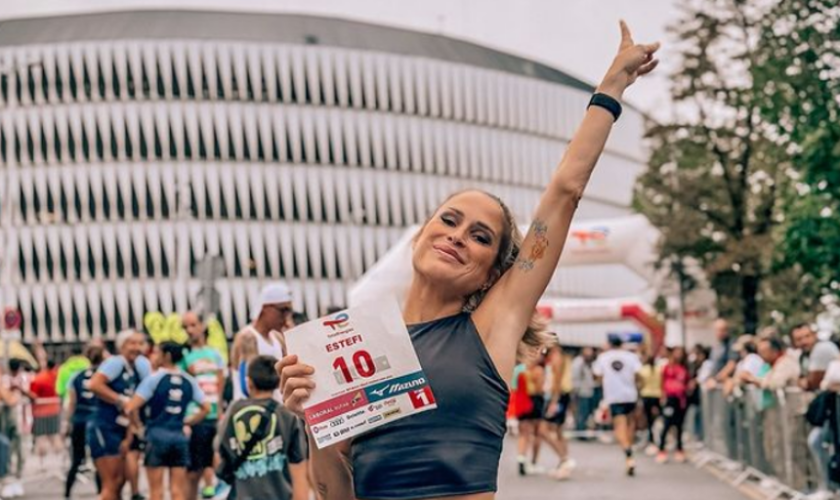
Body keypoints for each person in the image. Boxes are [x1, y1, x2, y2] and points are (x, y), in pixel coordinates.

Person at [278, 20, 660, 499]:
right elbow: (335, 494)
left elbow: (565, 193)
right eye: (450, 221)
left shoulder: (491, 328)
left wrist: (610, 88)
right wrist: (314, 421)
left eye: (480, 236)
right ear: (421, 234)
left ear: (493, 272)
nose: (457, 237)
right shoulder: (366, 349)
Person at [125, 342, 209, 500]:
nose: (152, 357)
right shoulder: (189, 380)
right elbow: (206, 408)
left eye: (156, 353)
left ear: (167, 356)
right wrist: (186, 422)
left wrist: (137, 427)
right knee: (178, 492)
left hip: (156, 434)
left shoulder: (155, 379)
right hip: (179, 437)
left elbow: (130, 407)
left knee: (156, 492)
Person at [218, 355, 308, 500]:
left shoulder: (234, 410)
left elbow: (220, 451)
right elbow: (298, 467)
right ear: (278, 383)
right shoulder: (287, 415)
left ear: (249, 383)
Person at [87, 329, 152, 500]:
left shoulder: (137, 367)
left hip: (121, 429)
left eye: (140, 343)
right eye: (132, 343)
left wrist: (134, 430)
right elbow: (94, 385)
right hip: (104, 426)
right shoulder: (116, 363)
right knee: (111, 484)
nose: (137, 348)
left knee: (121, 481)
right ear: (122, 345)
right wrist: (120, 399)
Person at [181, 311, 227, 500]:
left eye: (192, 325)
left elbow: (220, 383)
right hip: (196, 417)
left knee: (214, 463)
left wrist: (221, 412)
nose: (189, 330)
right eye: (185, 327)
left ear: (202, 326)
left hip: (214, 416)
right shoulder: (184, 354)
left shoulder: (215, 354)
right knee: (193, 470)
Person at [792, 324, 839, 499]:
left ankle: (827, 486)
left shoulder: (822, 349)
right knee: (817, 441)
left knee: (816, 441)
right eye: (798, 339)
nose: (803, 341)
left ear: (814, 335)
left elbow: (812, 382)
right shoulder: (804, 354)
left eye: (806, 336)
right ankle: (826, 486)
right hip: (828, 410)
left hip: (832, 409)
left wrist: (806, 382)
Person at [231, 282, 294, 401]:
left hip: (274, 409)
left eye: (289, 311)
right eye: (283, 310)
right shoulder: (248, 337)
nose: (286, 317)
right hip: (254, 410)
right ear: (266, 308)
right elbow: (251, 385)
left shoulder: (277, 337)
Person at [593, 336, 643, 476]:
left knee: (619, 427)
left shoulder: (603, 357)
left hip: (614, 396)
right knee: (630, 424)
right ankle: (630, 451)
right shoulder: (631, 356)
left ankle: (628, 453)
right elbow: (639, 374)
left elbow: (597, 375)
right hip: (630, 395)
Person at [65, 345, 106, 500]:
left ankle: (67, 493)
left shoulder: (76, 376)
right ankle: (101, 492)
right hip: (97, 419)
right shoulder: (103, 376)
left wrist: (67, 423)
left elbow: (71, 402)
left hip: (79, 419)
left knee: (76, 459)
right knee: (98, 459)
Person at [541, 345, 574, 479]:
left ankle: (564, 458)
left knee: (544, 430)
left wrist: (554, 401)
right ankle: (563, 462)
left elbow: (557, 380)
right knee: (558, 430)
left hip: (557, 396)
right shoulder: (558, 356)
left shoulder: (556, 357)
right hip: (560, 395)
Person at [656, 347, 690, 464]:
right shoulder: (667, 367)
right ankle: (661, 450)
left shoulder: (684, 368)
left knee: (679, 425)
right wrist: (663, 396)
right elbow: (662, 382)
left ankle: (679, 449)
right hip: (670, 399)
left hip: (681, 399)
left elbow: (687, 382)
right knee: (667, 424)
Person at [30, 359, 63, 461]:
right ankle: (59, 460)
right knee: (55, 436)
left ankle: (42, 462)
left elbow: (33, 395)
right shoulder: (58, 376)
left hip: (40, 412)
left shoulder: (39, 378)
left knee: (41, 438)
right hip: (55, 410)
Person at [638, 350, 662, 454]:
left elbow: (640, 383)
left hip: (646, 395)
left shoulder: (643, 370)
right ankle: (654, 439)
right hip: (657, 395)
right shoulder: (659, 369)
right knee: (656, 418)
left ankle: (651, 439)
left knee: (648, 419)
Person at [571, 347, 598, 437]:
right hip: (581, 391)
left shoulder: (589, 363)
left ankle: (583, 429)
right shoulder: (578, 362)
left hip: (588, 390)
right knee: (582, 412)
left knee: (586, 411)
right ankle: (580, 431)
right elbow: (576, 377)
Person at [707, 318, 739, 386]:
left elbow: (731, 364)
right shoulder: (716, 346)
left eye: (723, 330)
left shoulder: (732, 343)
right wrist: (710, 378)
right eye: (718, 330)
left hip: (726, 383)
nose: (720, 332)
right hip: (715, 383)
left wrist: (716, 379)